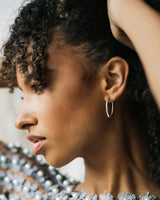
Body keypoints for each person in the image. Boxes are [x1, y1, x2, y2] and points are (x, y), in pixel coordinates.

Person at [0, 0, 160, 199]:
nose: (20, 120)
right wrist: (21, 67)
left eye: (39, 85)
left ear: (112, 80)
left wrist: (124, 6)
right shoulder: (34, 189)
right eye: (23, 95)